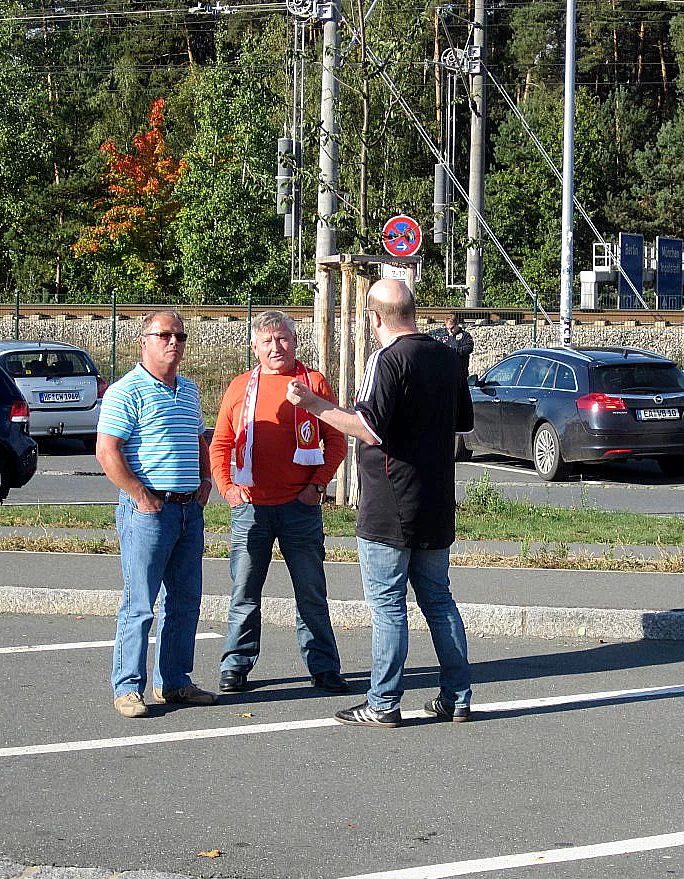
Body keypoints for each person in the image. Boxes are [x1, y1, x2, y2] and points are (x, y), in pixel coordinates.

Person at [286, 279, 474, 727]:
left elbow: (369, 429)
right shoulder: (448, 356)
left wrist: (313, 403)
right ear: (413, 310)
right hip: (435, 501)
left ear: (372, 318)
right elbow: (463, 422)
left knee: (388, 606)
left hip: (390, 504)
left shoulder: (386, 359)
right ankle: (457, 697)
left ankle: (384, 702)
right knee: (439, 601)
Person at [209, 311, 350, 695]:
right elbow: (220, 444)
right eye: (267, 341)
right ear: (255, 347)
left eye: (283, 339)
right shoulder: (239, 387)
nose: (276, 347)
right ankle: (235, 666)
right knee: (244, 593)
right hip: (250, 508)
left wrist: (317, 487)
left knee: (311, 594)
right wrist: (228, 490)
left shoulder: (313, 382)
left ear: (295, 341)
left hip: (300, 508)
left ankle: (323, 668)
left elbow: (335, 440)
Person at [96, 309, 216, 719]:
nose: (174, 343)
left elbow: (200, 437)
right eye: (164, 335)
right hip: (149, 512)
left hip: (187, 511)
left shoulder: (189, 391)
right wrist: (138, 494)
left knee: (185, 602)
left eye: (180, 336)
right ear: (144, 340)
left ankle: (175, 682)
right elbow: (107, 450)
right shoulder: (126, 391)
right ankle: (128, 687)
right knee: (140, 603)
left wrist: (205, 481)